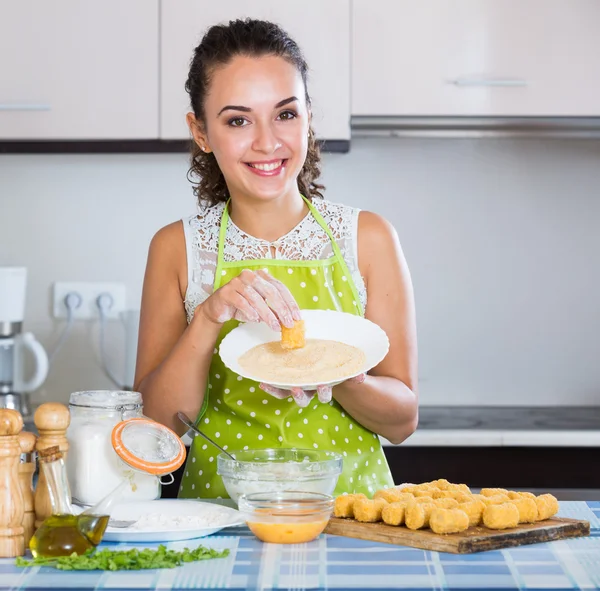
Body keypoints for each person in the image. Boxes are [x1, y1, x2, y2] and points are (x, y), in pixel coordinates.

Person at [134, 19, 418, 498]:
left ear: (308, 115)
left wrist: (331, 370)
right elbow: (157, 426)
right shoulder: (176, 248)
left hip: (351, 520)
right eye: (238, 120)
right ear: (201, 131)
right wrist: (208, 317)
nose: (267, 142)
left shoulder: (367, 237)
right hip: (222, 520)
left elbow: (403, 421)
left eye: (285, 114)